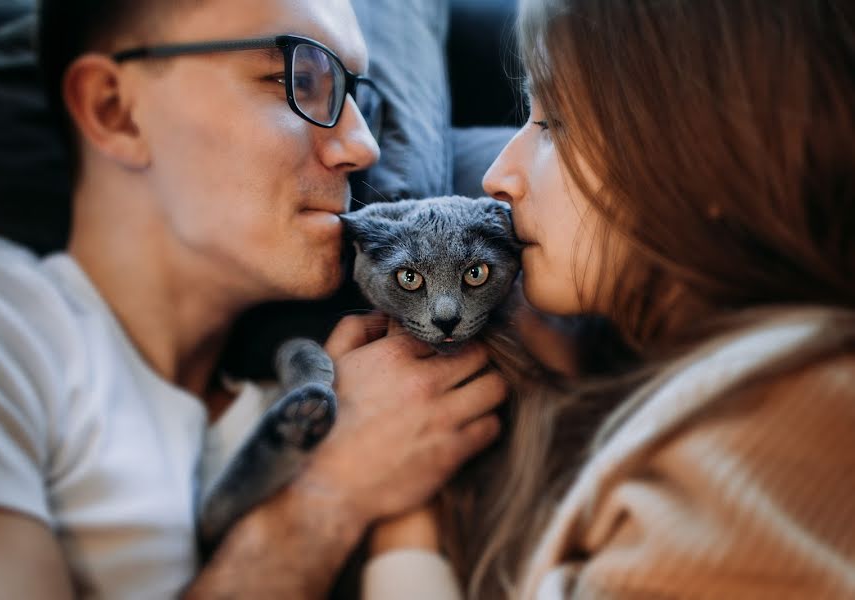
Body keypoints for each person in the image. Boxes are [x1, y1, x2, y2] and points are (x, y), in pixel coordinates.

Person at [0, 0, 509, 598]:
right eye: (299, 80)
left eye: (356, 96)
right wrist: (329, 496)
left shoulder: (340, 389)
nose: (363, 146)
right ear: (116, 111)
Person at [361, 0, 855, 598]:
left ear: (702, 156)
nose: (496, 175)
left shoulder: (784, 430)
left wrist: (396, 516)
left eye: (554, 125)